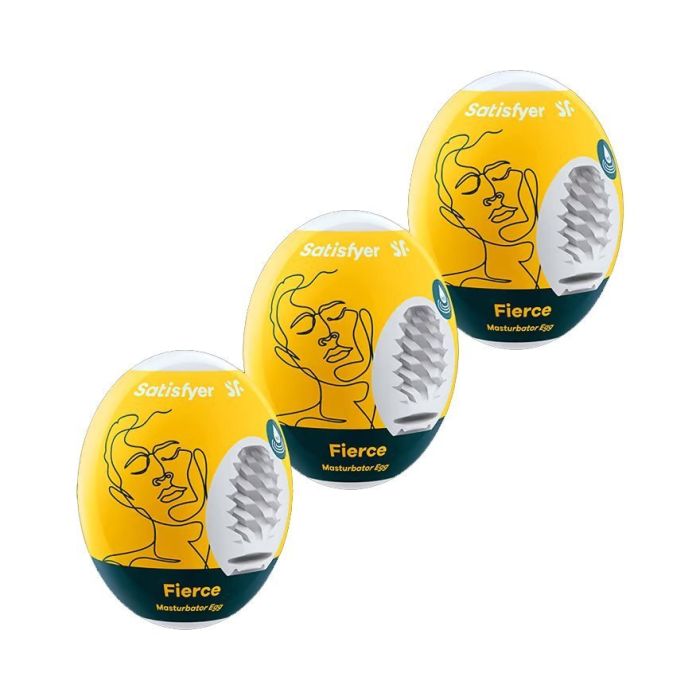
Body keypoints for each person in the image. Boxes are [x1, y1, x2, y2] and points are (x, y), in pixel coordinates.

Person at [102, 410, 210, 568]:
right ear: (123, 496)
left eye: (171, 454)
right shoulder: (127, 566)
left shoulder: (243, 558)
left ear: (199, 459)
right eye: (140, 467)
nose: (162, 474)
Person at [435, 130, 541, 289]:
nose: (493, 194)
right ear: (454, 216)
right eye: (471, 187)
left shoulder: (573, 278)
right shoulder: (453, 289)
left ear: (529, 178)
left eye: (501, 174)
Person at [269, 269, 375, 428]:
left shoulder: (408, 420)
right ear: (289, 356)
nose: (328, 334)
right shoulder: (289, 428)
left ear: (365, 319)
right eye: (305, 327)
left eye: (336, 314)